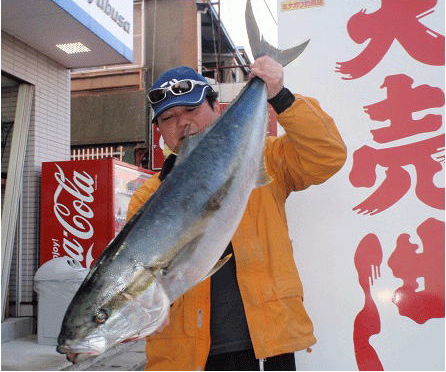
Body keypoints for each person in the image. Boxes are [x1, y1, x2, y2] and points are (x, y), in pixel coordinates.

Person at [126, 56, 347, 371]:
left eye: (191, 109)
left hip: (267, 343)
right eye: (169, 117)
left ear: (216, 109)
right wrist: (144, 307)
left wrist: (280, 96)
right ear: (159, 129)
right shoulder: (148, 197)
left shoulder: (263, 157)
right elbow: (136, 272)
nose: (182, 123)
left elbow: (327, 155)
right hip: (186, 358)